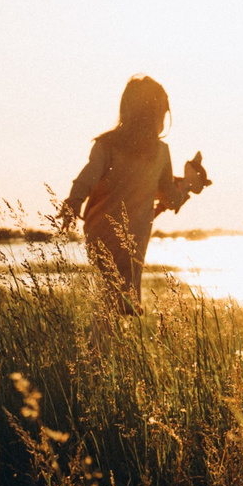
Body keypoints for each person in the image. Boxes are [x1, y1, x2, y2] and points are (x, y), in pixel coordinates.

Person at [57, 75, 211, 316]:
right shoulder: (159, 152)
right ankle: (103, 337)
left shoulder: (107, 144)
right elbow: (170, 199)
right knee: (118, 300)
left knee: (112, 296)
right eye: (163, 114)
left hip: (100, 230)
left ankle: (105, 334)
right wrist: (189, 185)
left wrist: (74, 201)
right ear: (157, 115)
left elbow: (88, 175)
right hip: (132, 234)